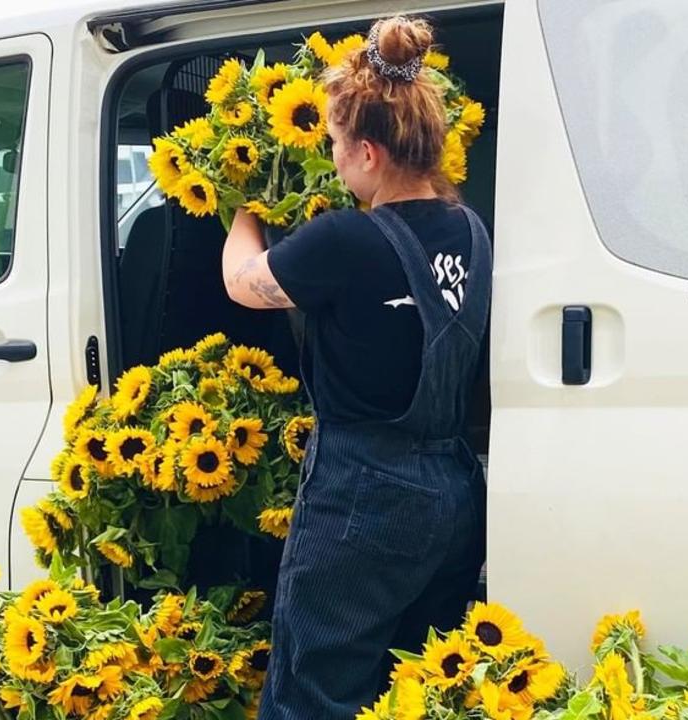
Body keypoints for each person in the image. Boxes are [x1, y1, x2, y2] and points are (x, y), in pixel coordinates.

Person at [221, 15, 492, 719]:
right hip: (455, 492)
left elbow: (243, 281)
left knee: (313, 691)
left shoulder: (342, 239)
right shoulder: (472, 231)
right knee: (412, 686)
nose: (335, 161)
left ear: (369, 151)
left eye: (338, 146)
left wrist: (242, 207)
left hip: (363, 499)